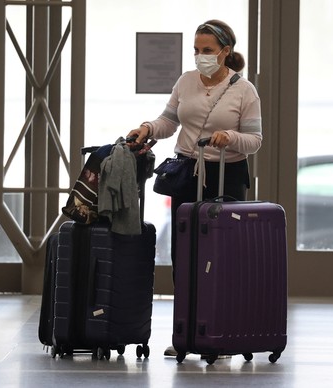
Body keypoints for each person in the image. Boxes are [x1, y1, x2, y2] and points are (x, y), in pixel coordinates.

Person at [126, 19, 262, 357]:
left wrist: (230, 137)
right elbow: (169, 122)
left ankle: (223, 332)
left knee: (222, 257)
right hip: (188, 173)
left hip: (226, 177)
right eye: (197, 50)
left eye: (208, 51)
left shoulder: (244, 90)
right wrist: (147, 128)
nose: (201, 57)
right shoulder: (186, 82)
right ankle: (185, 333)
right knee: (184, 256)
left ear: (225, 52)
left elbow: (255, 140)